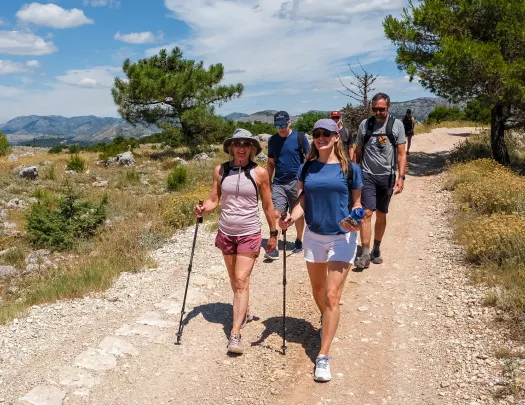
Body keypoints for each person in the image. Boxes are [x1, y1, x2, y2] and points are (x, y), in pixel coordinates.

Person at [279, 118, 364, 382]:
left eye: (327, 133)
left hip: (342, 237)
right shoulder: (307, 168)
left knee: (330, 296)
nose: (321, 137)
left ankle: (323, 356)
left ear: (337, 136)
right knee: (317, 291)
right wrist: (291, 219)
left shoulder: (350, 168)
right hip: (314, 236)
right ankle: (326, 320)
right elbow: (302, 200)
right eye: (317, 133)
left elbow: (357, 203)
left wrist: (356, 217)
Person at [194, 128, 278, 355]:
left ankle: (235, 333)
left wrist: (273, 233)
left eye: (246, 143)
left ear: (252, 148)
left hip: (249, 233)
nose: (241, 147)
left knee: (241, 279)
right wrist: (203, 208)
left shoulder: (260, 173)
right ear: (231, 147)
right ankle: (245, 310)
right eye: (237, 143)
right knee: (234, 279)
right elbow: (214, 200)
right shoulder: (220, 170)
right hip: (226, 232)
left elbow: (268, 205)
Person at [354, 93, 407, 269]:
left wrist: (401, 177)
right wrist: (353, 174)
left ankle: (377, 248)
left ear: (388, 107)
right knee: (367, 213)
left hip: (387, 177)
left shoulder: (396, 125)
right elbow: (358, 150)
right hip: (367, 175)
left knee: (382, 214)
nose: (378, 112)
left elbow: (401, 154)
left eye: (381, 109)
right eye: (375, 109)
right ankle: (365, 253)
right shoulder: (365, 125)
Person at [265, 111, 311, 259]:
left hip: (296, 182)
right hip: (278, 183)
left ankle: (298, 239)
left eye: (283, 125)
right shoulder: (272, 140)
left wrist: (307, 179)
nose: (281, 128)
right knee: (276, 213)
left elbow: (309, 158)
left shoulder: (299, 137)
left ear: (289, 122)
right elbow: (271, 162)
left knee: (296, 213)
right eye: (277, 125)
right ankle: (274, 245)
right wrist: (267, 181)